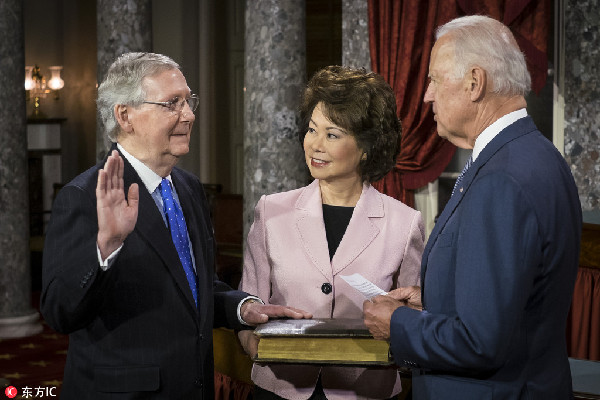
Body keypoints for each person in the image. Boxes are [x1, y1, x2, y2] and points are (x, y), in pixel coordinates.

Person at [40, 52, 310, 399]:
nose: (190, 115)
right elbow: (60, 313)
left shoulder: (188, 188)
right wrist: (103, 250)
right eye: (172, 104)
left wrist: (243, 308)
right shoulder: (83, 196)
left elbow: (194, 290)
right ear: (125, 115)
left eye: (188, 101)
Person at [363, 15, 582, 400]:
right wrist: (435, 297)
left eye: (434, 79)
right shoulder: (537, 155)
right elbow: (514, 292)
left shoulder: (502, 178)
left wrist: (397, 325)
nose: (427, 95)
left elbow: (481, 341)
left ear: (475, 83)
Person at [238, 65, 425, 399]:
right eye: (312, 130)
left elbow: (414, 318)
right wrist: (256, 348)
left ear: (366, 148)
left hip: (366, 392)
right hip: (280, 389)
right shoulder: (270, 211)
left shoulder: (404, 223)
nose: (315, 145)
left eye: (332, 134)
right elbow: (248, 305)